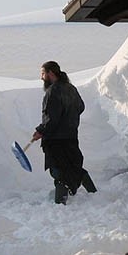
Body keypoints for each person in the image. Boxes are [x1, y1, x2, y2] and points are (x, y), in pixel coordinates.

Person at [31, 61, 96, 204]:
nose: (41, 77)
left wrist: (40, 131)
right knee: (74, 166)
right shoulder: (70, 88)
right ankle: (94, 193)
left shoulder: (53, 91)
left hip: (55, 140)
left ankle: (60, 204)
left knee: (58, 170)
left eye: (43, 73)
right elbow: (81, 107)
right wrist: (69, 119)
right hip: (71, 136)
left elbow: (51, 118)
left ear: (50, 73)